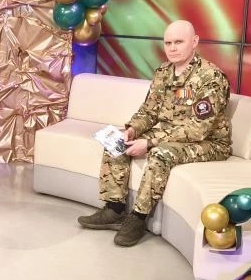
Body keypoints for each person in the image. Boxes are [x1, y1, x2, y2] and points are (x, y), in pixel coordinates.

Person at [78, 20, 232, 247]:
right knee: (116, 140)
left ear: (194, 42)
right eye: (168, 43)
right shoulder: (163, 72)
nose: (172, 48)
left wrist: (149, 142)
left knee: (160, 154)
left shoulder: (211, 77)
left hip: (208, 142)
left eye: (179, 42)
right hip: (170, 133)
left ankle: (138, 218)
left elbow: (197, 129)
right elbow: (149, 112)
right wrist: (132, 129)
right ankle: (114, 209)